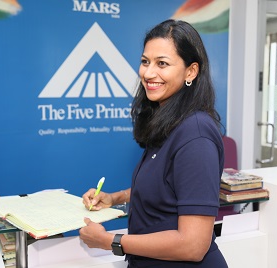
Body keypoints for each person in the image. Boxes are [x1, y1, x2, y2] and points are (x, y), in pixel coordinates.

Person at [80, 19, 228, 267]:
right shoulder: (170, 122)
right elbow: (167, 189)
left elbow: (193, 245)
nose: (148, 73)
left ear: (191, 71)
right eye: (145, 62)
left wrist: (111, 241)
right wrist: (115, 198)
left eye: (162, 64)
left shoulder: (196, 134)